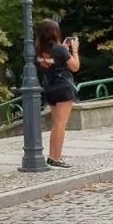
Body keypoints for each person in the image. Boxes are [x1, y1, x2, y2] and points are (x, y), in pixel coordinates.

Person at [35, 19, 80, 166]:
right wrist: (74, 50)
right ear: (55, 32)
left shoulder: (38, 51)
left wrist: (63, 50)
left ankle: (52, 155)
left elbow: (52, 62)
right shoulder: (60, 49)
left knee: (56, 124)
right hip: (63, 88)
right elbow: (75, 67)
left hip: (50, 88)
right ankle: (56, 158)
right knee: (61, 125)